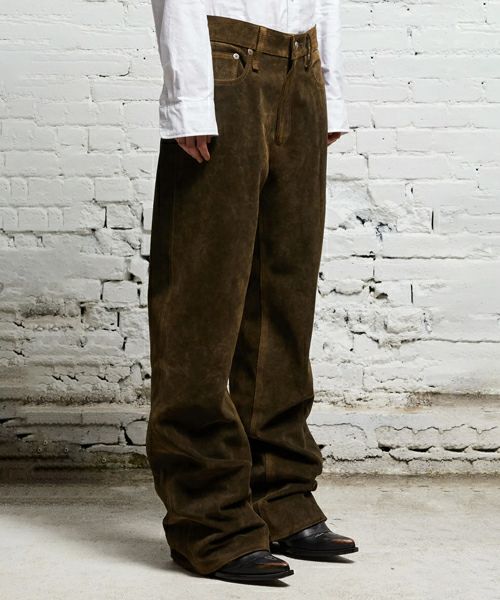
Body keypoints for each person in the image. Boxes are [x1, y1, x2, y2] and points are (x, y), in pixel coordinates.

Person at [146, 0, 358, 583]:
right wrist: (190, 97)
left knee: (285, 297)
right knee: (202, 301)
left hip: (302, 63)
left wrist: (328, 87)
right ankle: (208, 521)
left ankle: (280, 497)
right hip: (223, 65)